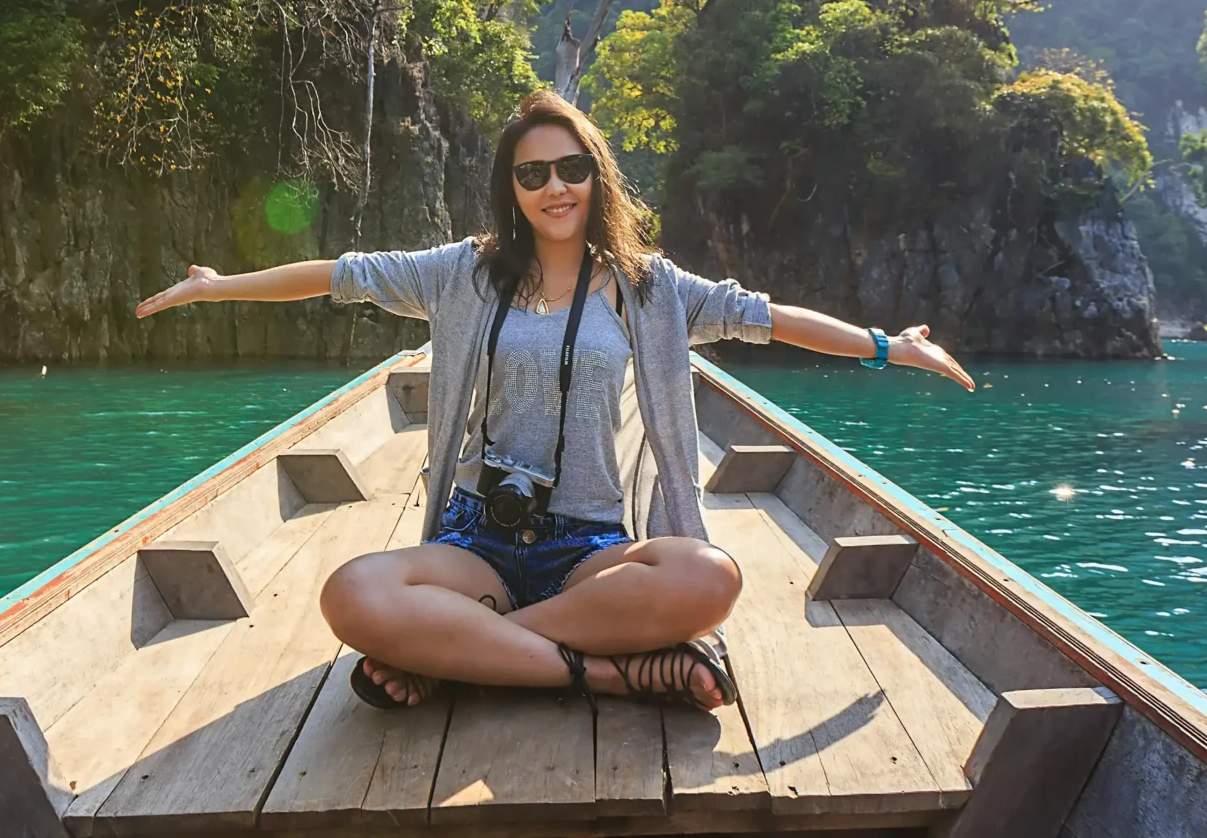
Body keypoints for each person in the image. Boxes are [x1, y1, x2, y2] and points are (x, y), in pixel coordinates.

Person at [134, 88, 973, 711]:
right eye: (532, 172)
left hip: (589, 549)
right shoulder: (463, 271)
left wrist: (885, 347)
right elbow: (338, 274)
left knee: (707, 575)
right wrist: (216, 287)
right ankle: (605, 671)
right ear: (513, 186)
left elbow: (767, 317)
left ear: (595, 174)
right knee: (351, 593)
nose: (555, 186)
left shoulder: (651, 289)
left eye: (571, 167)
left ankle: (459, 654)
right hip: (480, 542)